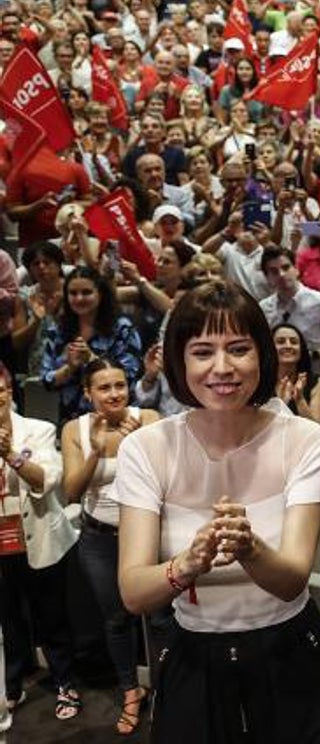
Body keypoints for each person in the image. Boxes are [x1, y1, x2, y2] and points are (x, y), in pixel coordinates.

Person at [114, 279, 320, 743]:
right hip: (192, 657)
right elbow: (133, 592)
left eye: (239, 349)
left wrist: (248, 547)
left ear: (262, 356)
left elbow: (291, 580)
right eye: (202, 351)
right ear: (178, 361)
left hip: (291, 654)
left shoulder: (306, 441)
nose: (222, 368)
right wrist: (187, 564)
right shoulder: (146, 449)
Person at [62, 357, 159, 735]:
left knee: (162, 618)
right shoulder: (76, 428)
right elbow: (71, 491)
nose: (114, 394)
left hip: (150, 535)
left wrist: (136, 445)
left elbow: (167, 479)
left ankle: (168, 689)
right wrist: (96, 451)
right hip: (99, 537)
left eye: (119, 385)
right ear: (88, 393)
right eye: (104, 387)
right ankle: (131, 693)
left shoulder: (148, 419)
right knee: (116, 620)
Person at [0, 362, 80, 722]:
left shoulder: (39, 430)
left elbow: (47, 480)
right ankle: (12, 686)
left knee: (53, 618)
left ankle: (66, 683)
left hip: (40, 537)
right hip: (2, 543)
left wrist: (9, 456)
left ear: (8, 392)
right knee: (9, 619)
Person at [40, 267, 143, 423]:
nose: (79, 298)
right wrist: (70, 368)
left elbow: (130, 375)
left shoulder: (122, 328)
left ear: (100, 294)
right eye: (73, 293)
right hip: (72, 419)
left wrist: (91, 359)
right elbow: (47, 380)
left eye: (86, 292)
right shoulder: (57, 330)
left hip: (116, 418)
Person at [258, 244, 320, 381]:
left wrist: (313, 355)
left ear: (296, 269)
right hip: (278, 381)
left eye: (286, 268)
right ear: (266, 277)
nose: (281, 274)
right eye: (274, 271)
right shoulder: (264, 307)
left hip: (319, 379)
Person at [272, 323, 320, 426]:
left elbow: (319, 431)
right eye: (281, 342)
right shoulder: (258, 380)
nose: (288, 346)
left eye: (294, 342)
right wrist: (280, 405)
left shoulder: (317, 383)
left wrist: (299, 400)